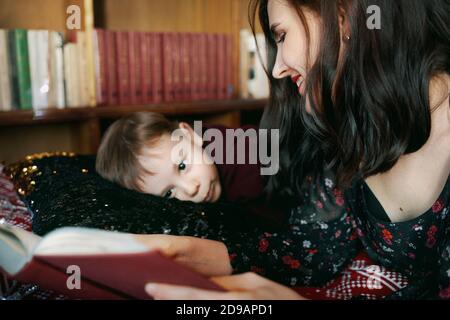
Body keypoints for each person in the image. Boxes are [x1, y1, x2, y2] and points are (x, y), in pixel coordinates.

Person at [135, 0, 449, 299]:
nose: (277, 69)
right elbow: (317, 249)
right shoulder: (345, 122)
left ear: (344, 15)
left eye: (282, 35)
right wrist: (186, 251)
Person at [96, 111, 286, 229]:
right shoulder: (188, 148)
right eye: (169, 193)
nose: (190, 189)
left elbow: (274, 224)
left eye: (182, 166)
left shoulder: (248, 164)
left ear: (189, 135)